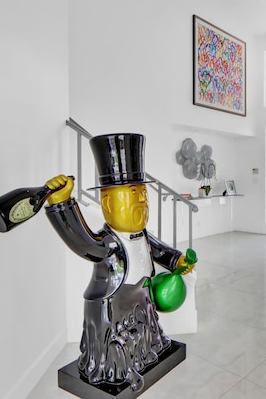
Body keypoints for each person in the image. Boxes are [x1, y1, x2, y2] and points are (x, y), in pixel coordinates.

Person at [44, 133, 195, 392]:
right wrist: (62, 204)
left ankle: (145, 354)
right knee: (114, 346)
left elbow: (160, 251)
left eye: (143, 194)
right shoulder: (107, 245)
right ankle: (114, 369)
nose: (141, 201)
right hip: (112, 306)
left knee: (144, 335)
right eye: (131, 195)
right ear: (107, 203)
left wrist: (177, 260)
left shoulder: (144, 236)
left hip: (142, 299)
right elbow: (81, 241)